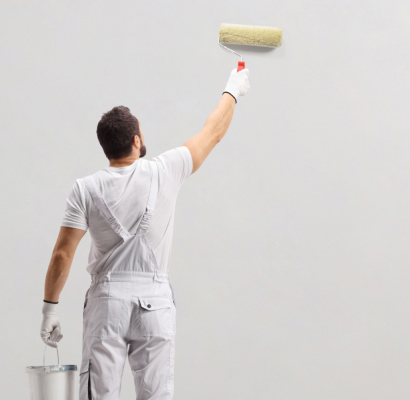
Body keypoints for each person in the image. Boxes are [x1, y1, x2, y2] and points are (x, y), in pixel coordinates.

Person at [37, 68, 250, 400]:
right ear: (136, 140)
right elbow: (213, 132)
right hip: (155, 305)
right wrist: (233, 89)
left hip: (106, 306)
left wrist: (50, 309)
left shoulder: (85, 189)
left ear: (107, 147)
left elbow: (62, 254)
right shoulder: (166, 169)